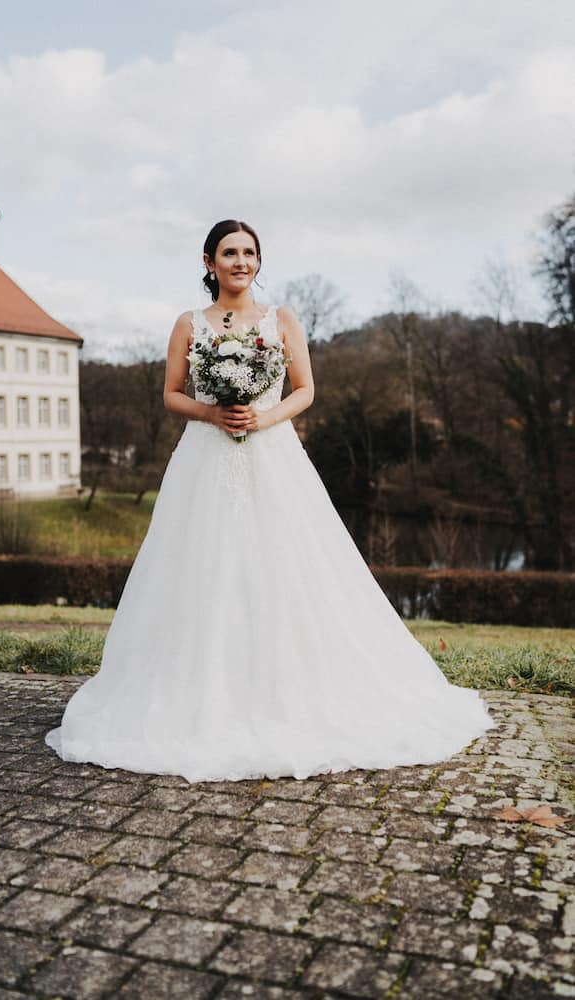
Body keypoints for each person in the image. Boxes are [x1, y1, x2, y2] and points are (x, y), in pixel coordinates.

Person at [45, 219, 494, 782]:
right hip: (205, 457)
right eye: (229, 252)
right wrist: (212, 412)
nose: (241, 261)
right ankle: (196, 692)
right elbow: (171, 394)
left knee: (285, 563)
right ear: (209, 262)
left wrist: (264, 417)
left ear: (258, 260)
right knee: (201, 566)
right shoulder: (188, 323)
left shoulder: (281, 320)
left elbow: (305, 389)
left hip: (273, 454)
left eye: (250, 252)